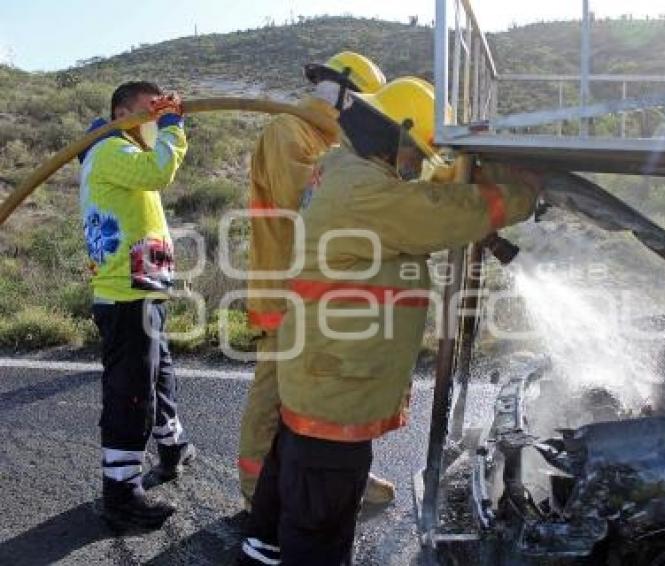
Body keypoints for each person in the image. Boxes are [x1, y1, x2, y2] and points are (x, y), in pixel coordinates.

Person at [239, 77, 543, 566]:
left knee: (292, 482)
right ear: (394, 135)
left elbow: (417, 198)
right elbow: (439, 213)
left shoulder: (340, 168)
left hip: (319, 374)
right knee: (321, 523)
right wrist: (524, 191)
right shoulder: (364, 191)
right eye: (415, 153)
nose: (415, 165)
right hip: (335, 390)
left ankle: (261, 551)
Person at [238, 52, 396, 510]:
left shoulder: (334, 141)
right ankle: (257, 487)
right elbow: (307, 201)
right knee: (275, 390)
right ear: (348, 96)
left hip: (324, 289)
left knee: (330, 391)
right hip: (286, 291)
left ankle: (342, 476)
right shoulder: (287, 130)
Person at [78, 81, 196, 530]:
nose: (158, 114)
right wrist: (172, 124)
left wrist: (163, 122)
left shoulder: (121, 151)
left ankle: (171, 445)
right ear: (123, 112)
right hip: (126, 293)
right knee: (131, 392)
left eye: (162, 107)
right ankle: (122, 491)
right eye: (151, 108)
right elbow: (162, 169)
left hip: (142, 286)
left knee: (157, 373)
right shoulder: (110, 149)